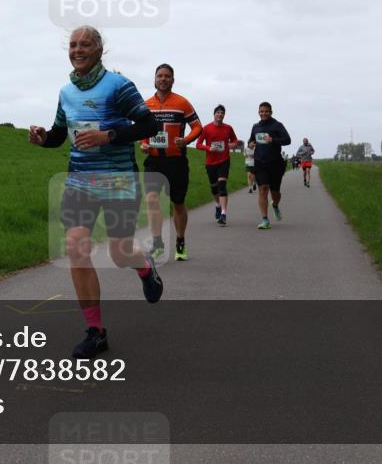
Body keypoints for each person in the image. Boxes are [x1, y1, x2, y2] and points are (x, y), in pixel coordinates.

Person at [29, 26, 163, 359]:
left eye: (85, 44)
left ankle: (144, 266)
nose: (77, 50)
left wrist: (109, 136)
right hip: (79, 181)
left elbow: (149, 125)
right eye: (72, 45)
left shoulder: (118, 86)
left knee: (120, 254)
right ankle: (95, 331)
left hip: (118, 181)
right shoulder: (66, 92)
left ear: (100, 50)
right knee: (76, 247)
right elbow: (61, 133)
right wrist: (44, 138)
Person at [141, 64, 203, 261]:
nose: (163, 79)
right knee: (151, 199)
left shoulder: (182, 102)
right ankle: (157, 242)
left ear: (172, 80)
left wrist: (186, 140)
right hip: (154, 160)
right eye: (160, 76)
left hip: (176, 161)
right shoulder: (146, 104)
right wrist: (143, 144)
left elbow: (197, 127)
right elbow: (141, 130)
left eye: (167, 76)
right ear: (155, 79)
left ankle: (180, 240)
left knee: (178, 204)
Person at [248, 101, 292, 229]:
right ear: (258, 112)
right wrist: (250, 144)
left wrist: (273, 140)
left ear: (271, 112)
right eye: (261, 111)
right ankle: (265, 220)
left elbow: (288, 140)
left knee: (275, 192)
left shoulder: (277, 125)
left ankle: (275, 205)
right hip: (260, 162)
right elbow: (251, 140)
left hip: (275, 163)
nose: (264, 113)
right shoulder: (255, 127)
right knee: (262, 189)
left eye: (266, 111)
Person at [196, 105, 241, 226]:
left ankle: (223, 213)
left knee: (222, 186)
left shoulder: (228, 128)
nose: (220, 114)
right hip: (210, 162)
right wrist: (208, 147)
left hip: (224, 160)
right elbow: (198, 144)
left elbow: (235, 141)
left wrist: (231, 145)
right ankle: (217, 205)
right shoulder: (206, 128)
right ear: (214, 114)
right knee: (214, 188)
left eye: (222, 113)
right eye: (218, 112)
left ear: (224, 115)